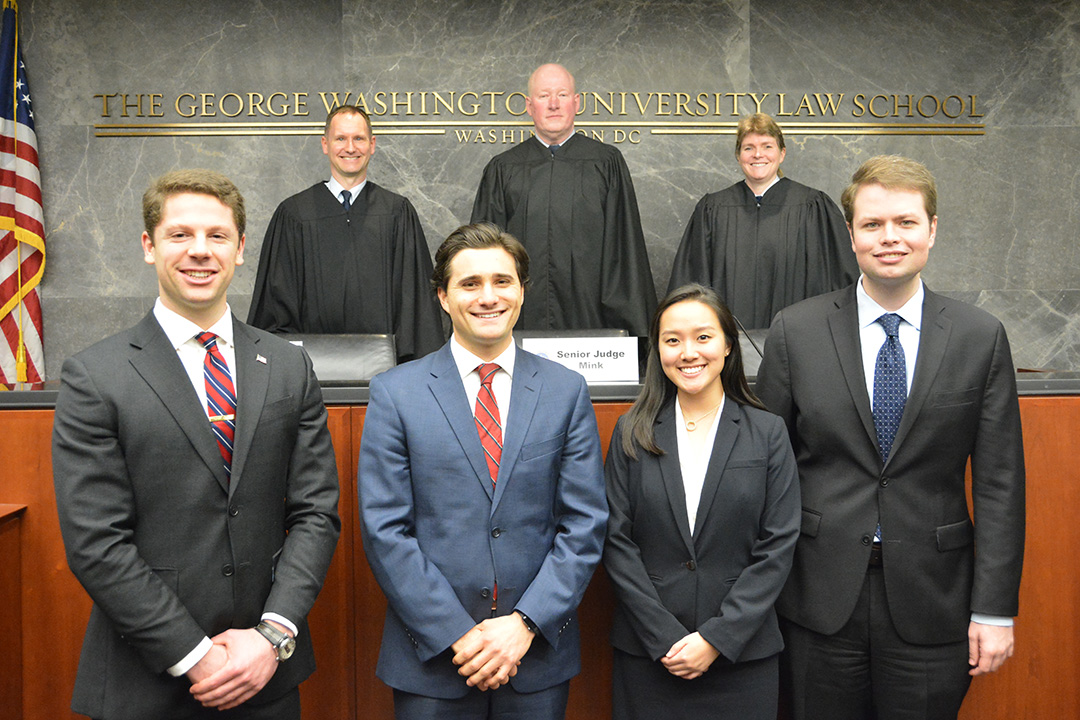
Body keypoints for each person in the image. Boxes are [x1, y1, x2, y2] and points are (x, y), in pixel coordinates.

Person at [52, 169, 341, 720]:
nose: (200, 252)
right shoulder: (96, 376)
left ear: (240, 249)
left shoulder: (287, 365)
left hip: (267, 677)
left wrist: (271, 635)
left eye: (217, 236)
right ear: (148, 246)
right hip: (148, 678)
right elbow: (96, 543)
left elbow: (315, 514)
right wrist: (194, 655)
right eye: (180, 235)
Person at [755, 155, 1025, 720]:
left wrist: (995, 612)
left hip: (934, 602)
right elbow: (763, 470)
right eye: (873, 225)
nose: (889, 238)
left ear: (932, 229)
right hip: (815, 601)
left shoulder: (980, 337)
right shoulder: (795, 331)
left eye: (905, 222)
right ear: (850, 234)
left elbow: (1001, 484)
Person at [358, 222, 607, 719]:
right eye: (470, 284)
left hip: (533, 657)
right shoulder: (396, 392)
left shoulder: (566, 390)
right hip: (431, 659)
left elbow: (584, 524)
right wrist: (457, 633)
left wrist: (524, 625)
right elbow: (385, 530)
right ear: (443, 297)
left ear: (522, 292)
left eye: (502, 281)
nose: (488, 296)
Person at [603, 283, 800, 720]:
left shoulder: (767, 433)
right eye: (672, 340)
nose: (688, 352)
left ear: (728, 345)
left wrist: (717, 639)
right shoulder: (632, 432)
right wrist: (663, 638)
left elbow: (778, 544)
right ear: (657, 349)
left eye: (703, 337)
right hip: (650, 655)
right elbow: (615, 541)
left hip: (741, 656)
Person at [470, 63, 656, 337]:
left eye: (562, 95)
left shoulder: (606, 163)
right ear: (529, 106)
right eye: (544, 96)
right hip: (520, 321)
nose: (554, 104)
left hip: (593, 319)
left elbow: (624, 250)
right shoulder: (504, 168)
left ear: (576, 103)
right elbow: (484, 254)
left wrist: (627, 328)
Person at [248, 105, 444, 364]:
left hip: (387, 370)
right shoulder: (294, 214)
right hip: (312, 371)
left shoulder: (397, 212)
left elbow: (416, 300)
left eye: (358, 138)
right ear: (325, 144)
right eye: (340, 138)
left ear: (372, 144)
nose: (350, 148)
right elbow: (275, 303)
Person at [667, 113, 857, 329]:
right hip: (727, 344)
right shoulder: (713, 209)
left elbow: (839, 281)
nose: (758, 154)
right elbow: (691, 280)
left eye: (767, 146)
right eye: (748, 148)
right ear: (738, 155)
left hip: (797, 338)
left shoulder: (813, 206)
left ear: (782, 153)